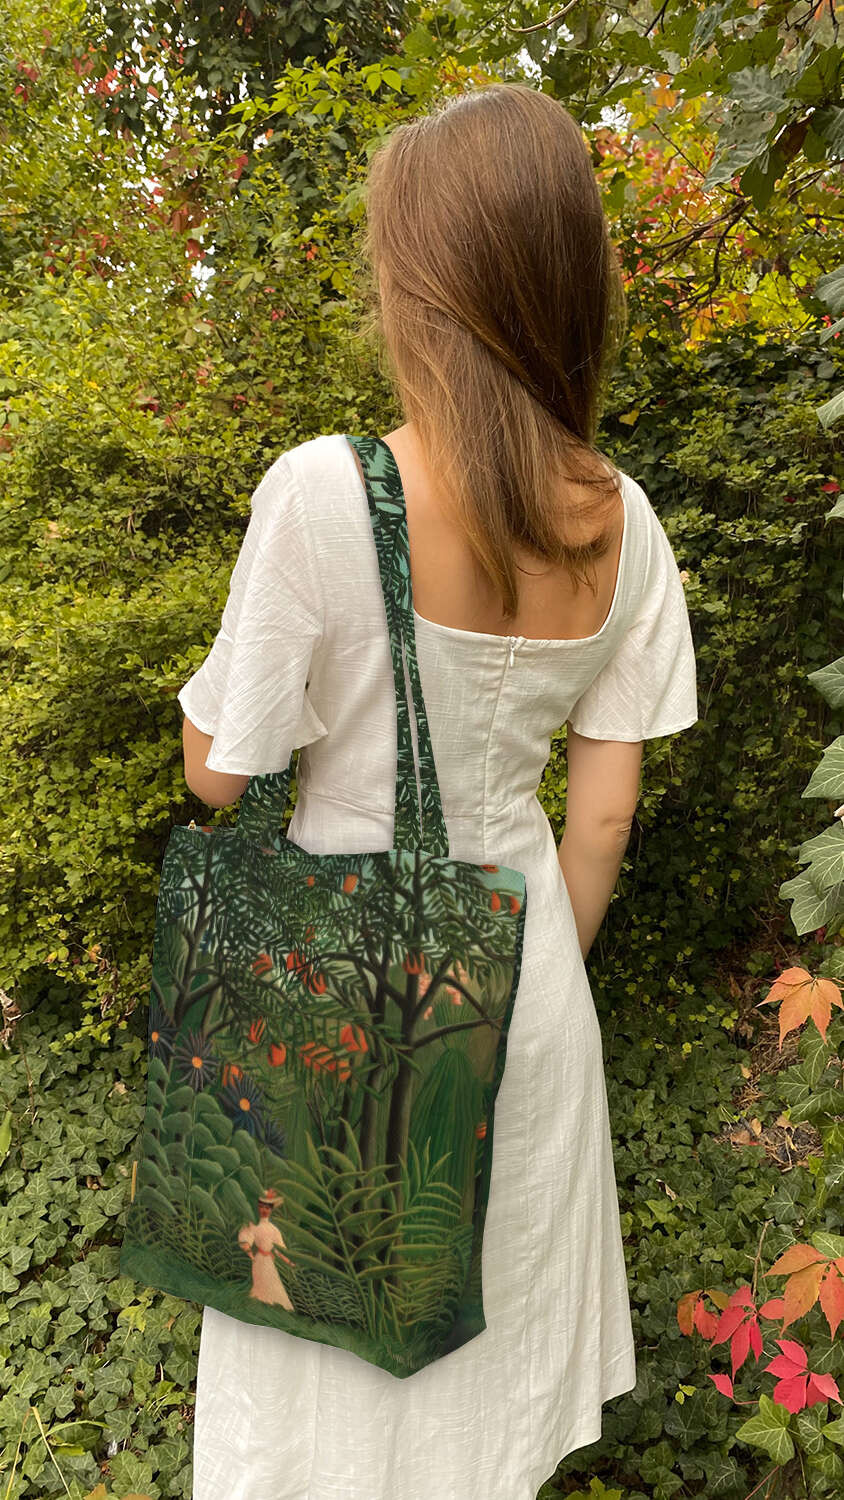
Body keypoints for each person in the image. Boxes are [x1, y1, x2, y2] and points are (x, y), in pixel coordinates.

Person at [180, 79, 698, 1500]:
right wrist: (518, 979)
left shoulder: (325, 495)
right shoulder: (625, 525)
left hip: (337, 998)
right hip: (521, 995)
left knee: (325, 1396)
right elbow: (602, 818)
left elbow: (219, 774)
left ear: (422, 290)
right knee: (482, 1402)